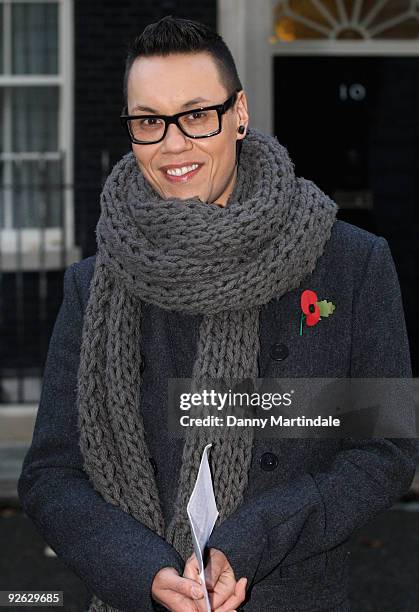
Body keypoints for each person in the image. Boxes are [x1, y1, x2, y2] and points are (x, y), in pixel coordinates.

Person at [18, 15, 418, 612]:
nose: (173, 144)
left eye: (196, 114)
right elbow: (51, 474)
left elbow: (386, 448)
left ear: (240, 113)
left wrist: (258, 534)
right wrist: (140, 567)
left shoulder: (351, 263)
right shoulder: (93, 284)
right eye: (149, 121)